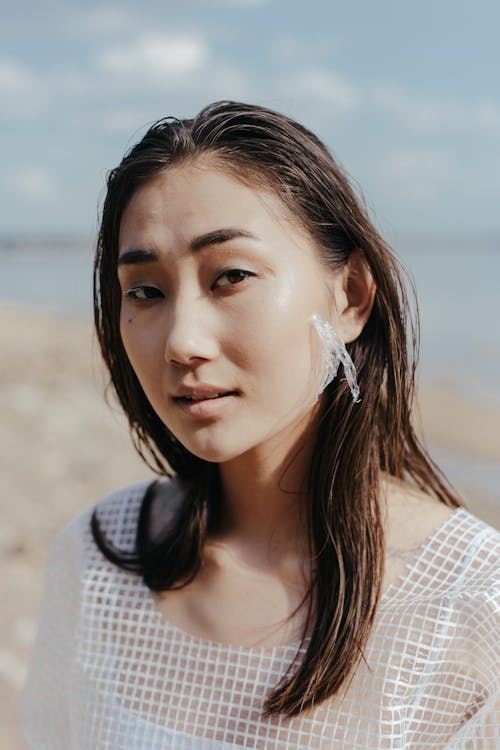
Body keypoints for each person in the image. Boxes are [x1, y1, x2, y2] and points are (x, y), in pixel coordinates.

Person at [22, 101, 499, 749]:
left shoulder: (469, 609)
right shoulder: (99, 562)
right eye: (146, 291)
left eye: (231, 277)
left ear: (351, 295)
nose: (182, 342)